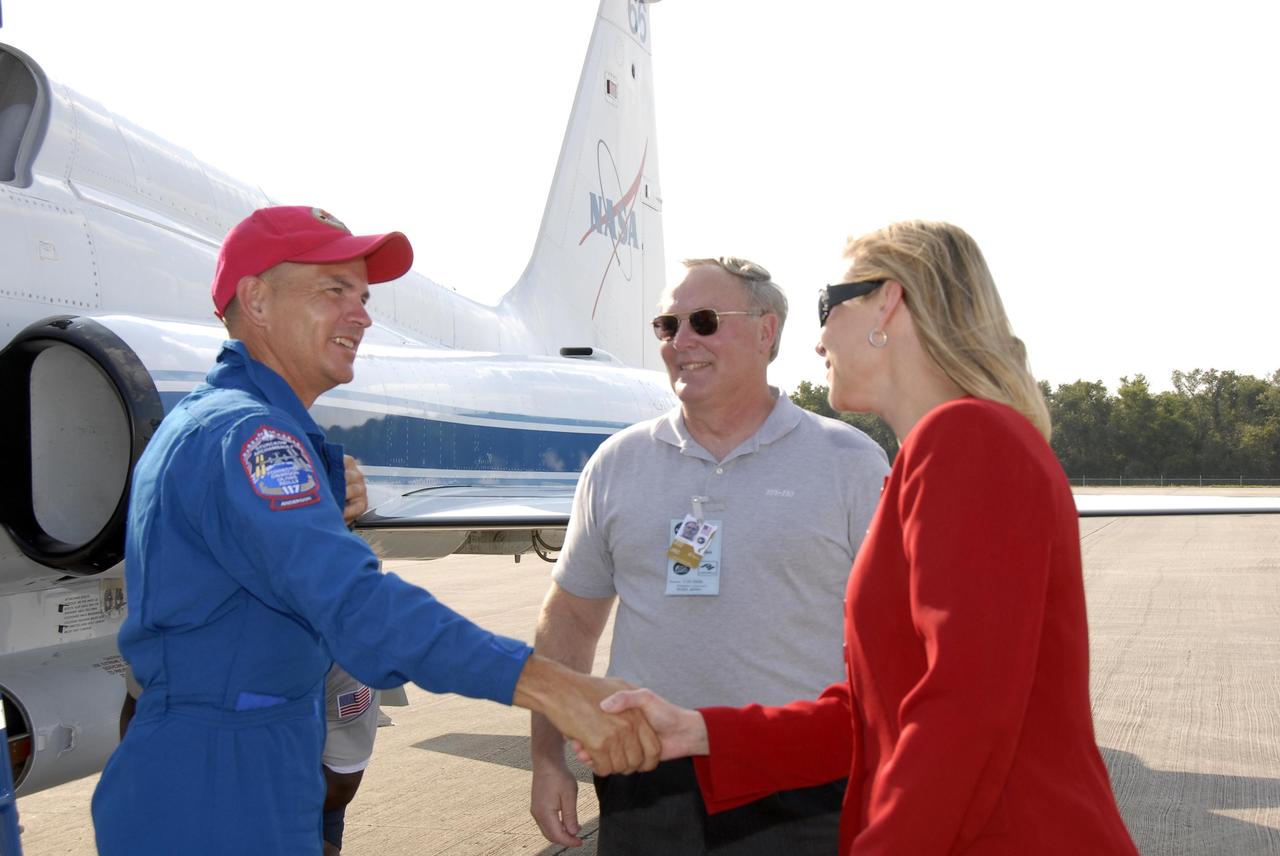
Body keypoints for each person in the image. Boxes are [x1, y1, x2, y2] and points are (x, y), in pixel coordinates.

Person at [90, 205, 659, 855]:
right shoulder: (247, 437)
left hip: (246, 771)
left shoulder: (251, 429)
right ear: (256, 300)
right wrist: (555, 687)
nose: (362, 313)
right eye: (334, 290)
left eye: (362, 296)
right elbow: (362, 609)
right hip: (215, 793)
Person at [594, 221, 1141, 855]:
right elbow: (878, 713)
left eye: (829, 305)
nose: (818, 339)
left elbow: (962, 711)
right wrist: (698, 732)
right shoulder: (936, 454)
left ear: (889, 302)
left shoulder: (968, 440)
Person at [530, 257, 889, 853]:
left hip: (798, 780)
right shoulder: (617, 463)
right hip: (646, 780)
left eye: (702, 321)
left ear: (765, 331)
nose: (681, 342)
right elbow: (568, 619)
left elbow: (892, 640)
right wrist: (547, 757)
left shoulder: (848, 461)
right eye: (667, 327)